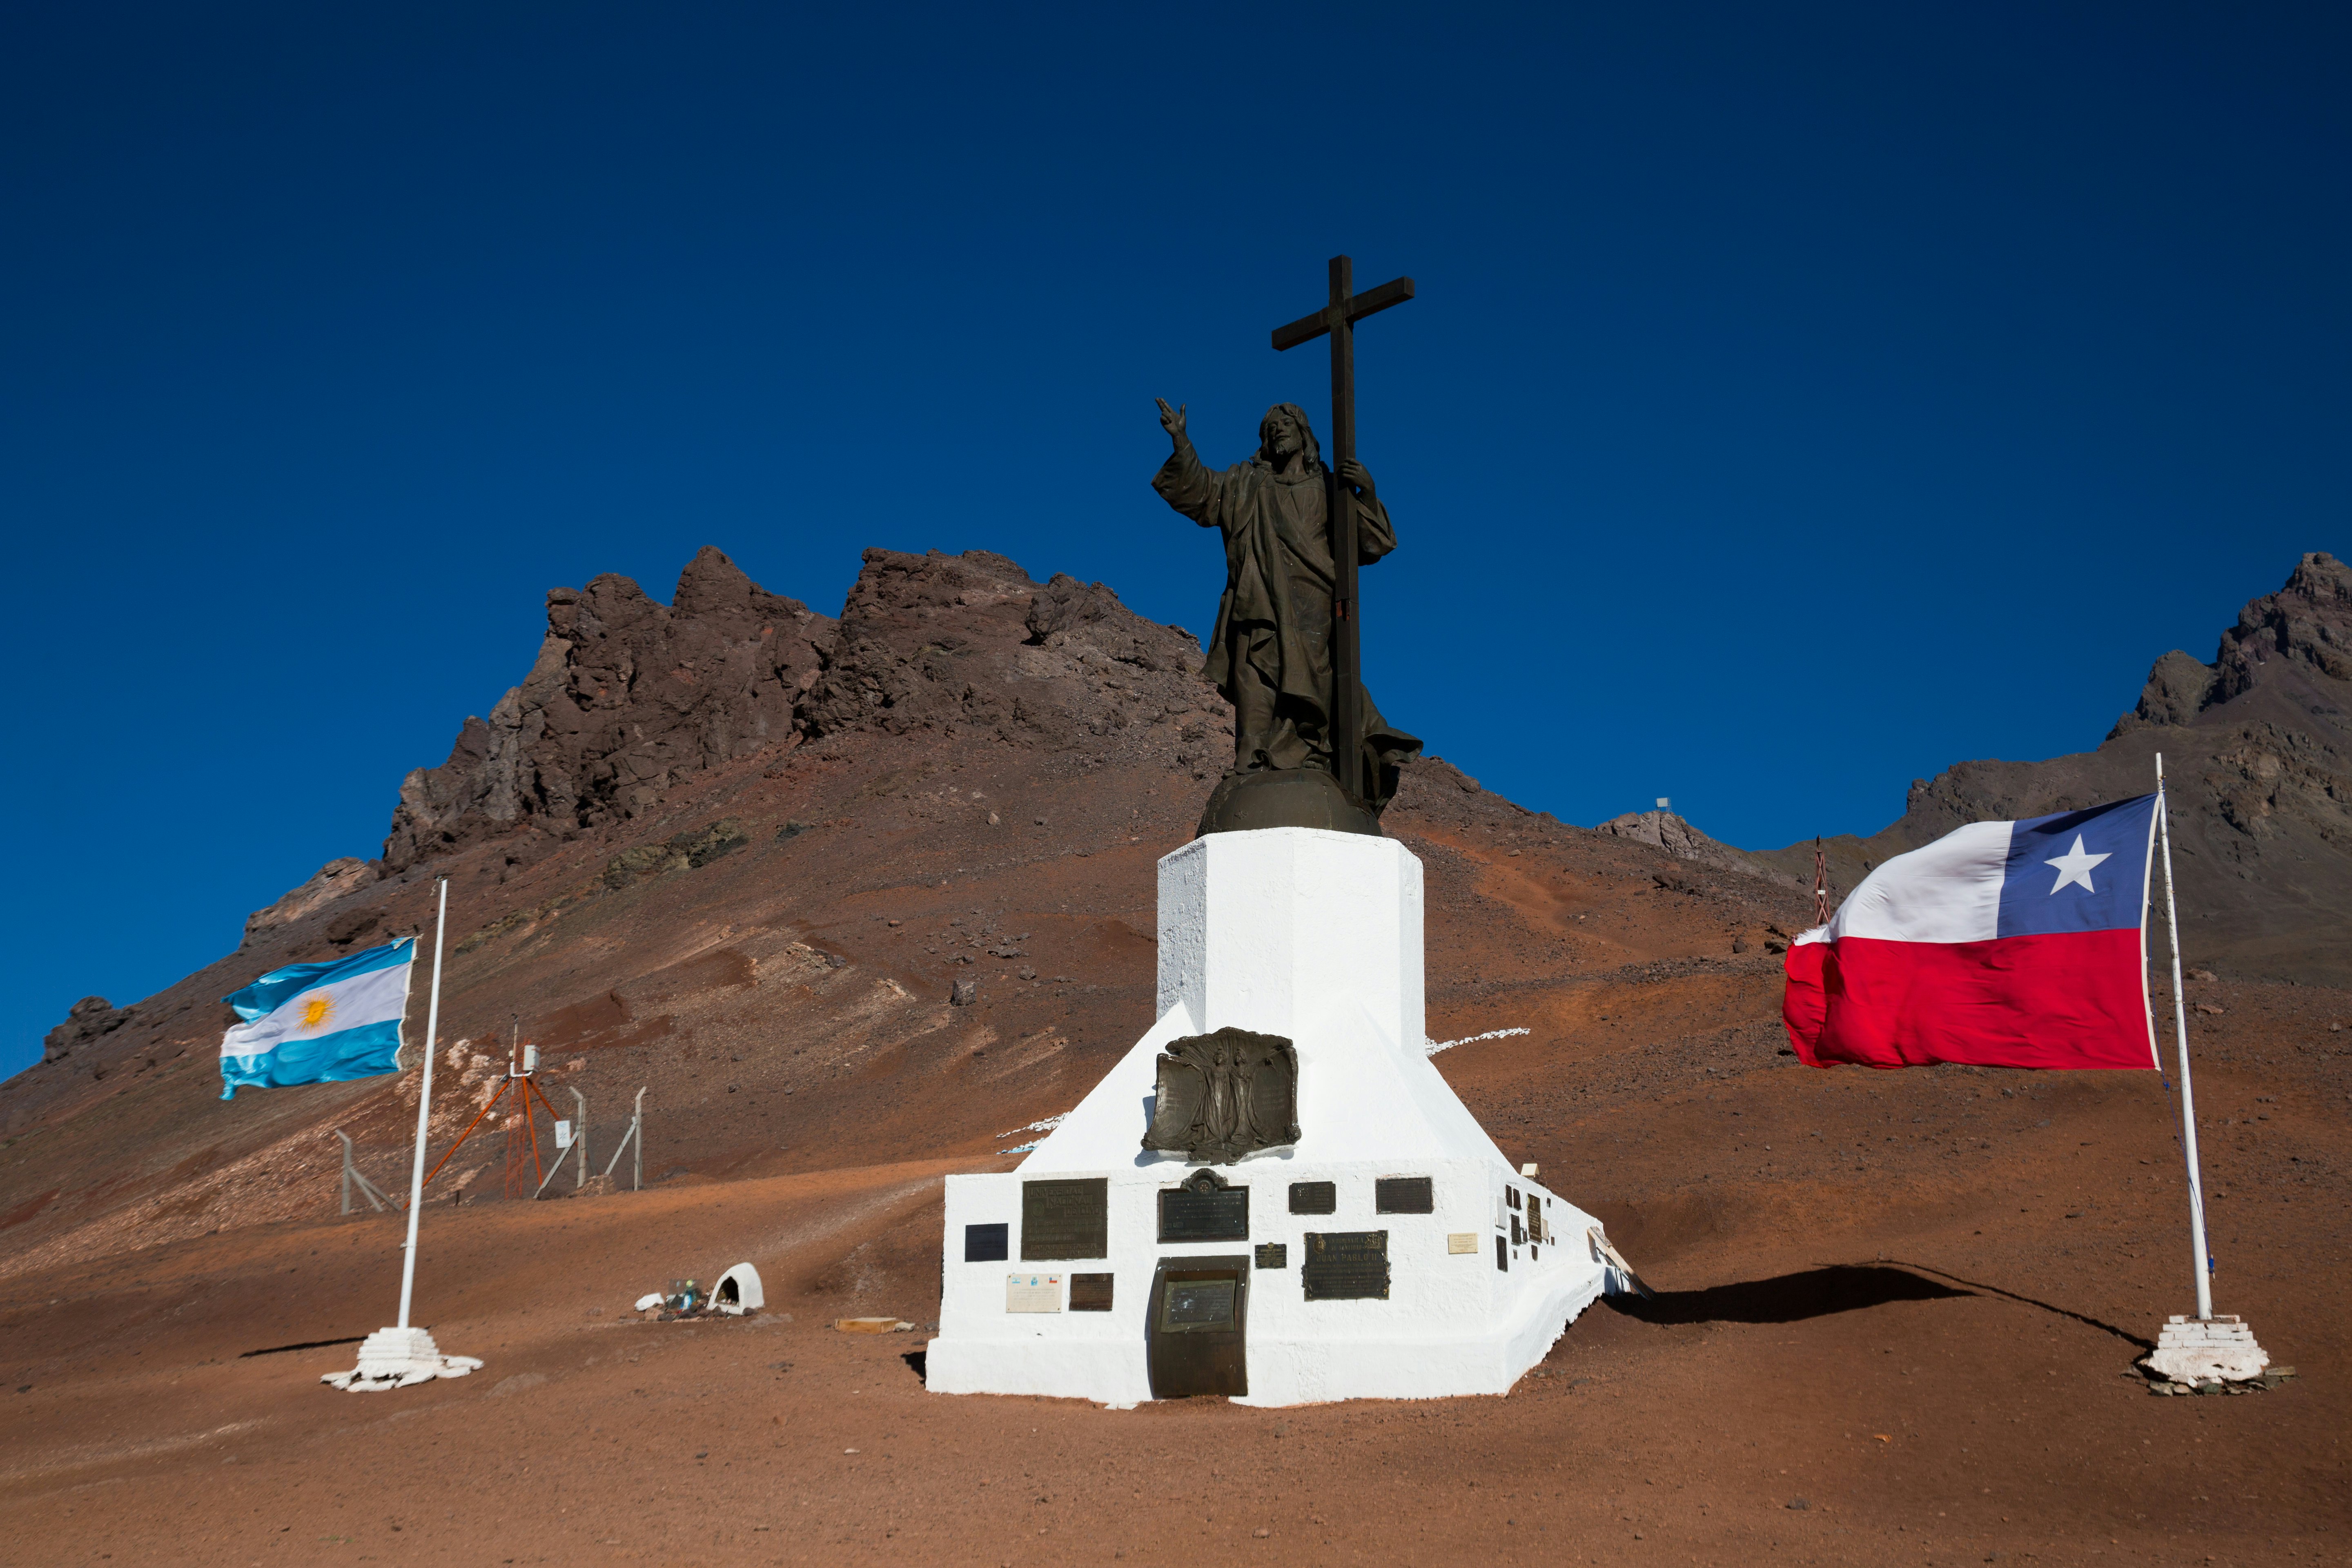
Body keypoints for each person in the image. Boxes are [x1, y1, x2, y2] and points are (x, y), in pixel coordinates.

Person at [1152, 400, 1422, 811]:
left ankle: (1316, 754)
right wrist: (1182, 440)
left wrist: (1366, 491)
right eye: (1270, 427)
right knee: (1253, 670)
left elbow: (1373, 544)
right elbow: (1203, 492)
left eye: (1285, 424)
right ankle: (1252, 760)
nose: (1277, 432)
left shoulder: (1329, 487)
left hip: (1312, 598)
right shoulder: (1248, 482)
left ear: (1304, 434)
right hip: (1257, 593)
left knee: (1314, 677)